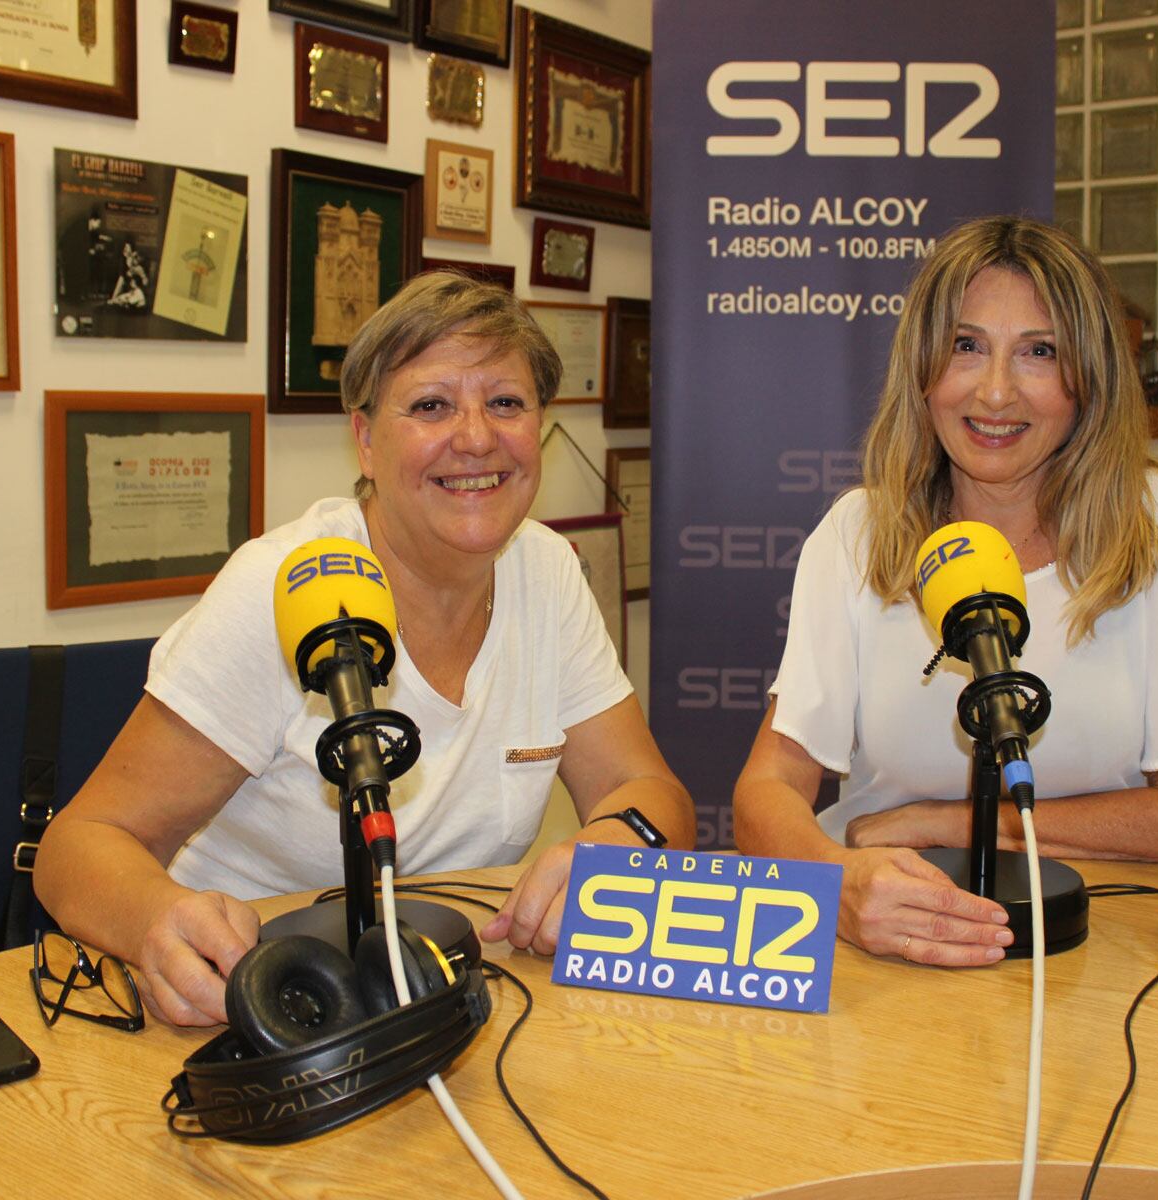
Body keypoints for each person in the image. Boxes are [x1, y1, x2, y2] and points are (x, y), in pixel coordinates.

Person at [35, 272, 695, 1026]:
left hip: (446, 1000)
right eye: (431, 405)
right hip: (262, 1006)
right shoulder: (282, 589)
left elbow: (651, 790)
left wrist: (611, 848)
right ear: (367, 440)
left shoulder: (545, 570)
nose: (477, 436)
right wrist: (158, 924)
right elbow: (79, 845)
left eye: (506, 402)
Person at [732, 215, 1158, 968]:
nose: (997, 390)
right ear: (923, 369)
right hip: (887, 944)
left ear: (1088, 379)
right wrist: (835, 881)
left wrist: (942, 822)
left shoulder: (1152, 523)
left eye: (1039, 351)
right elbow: (767, 788)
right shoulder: (859, 534)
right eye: (966, 346)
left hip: (1092, 948)